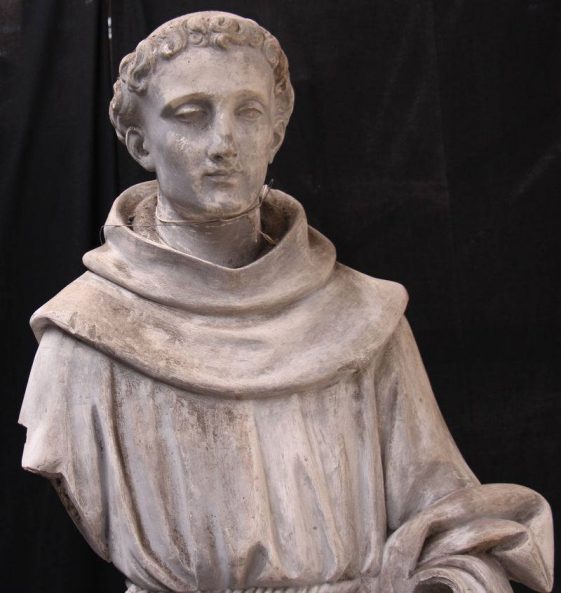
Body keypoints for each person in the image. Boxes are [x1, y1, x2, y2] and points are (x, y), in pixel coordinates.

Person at [19, 11, 553, 593]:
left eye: (248, 113)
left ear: (275, 134)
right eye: (191, 114)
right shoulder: (86, 338)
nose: (223, 143)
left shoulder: (364, 319)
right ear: (140, 141)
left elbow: (447, 520)